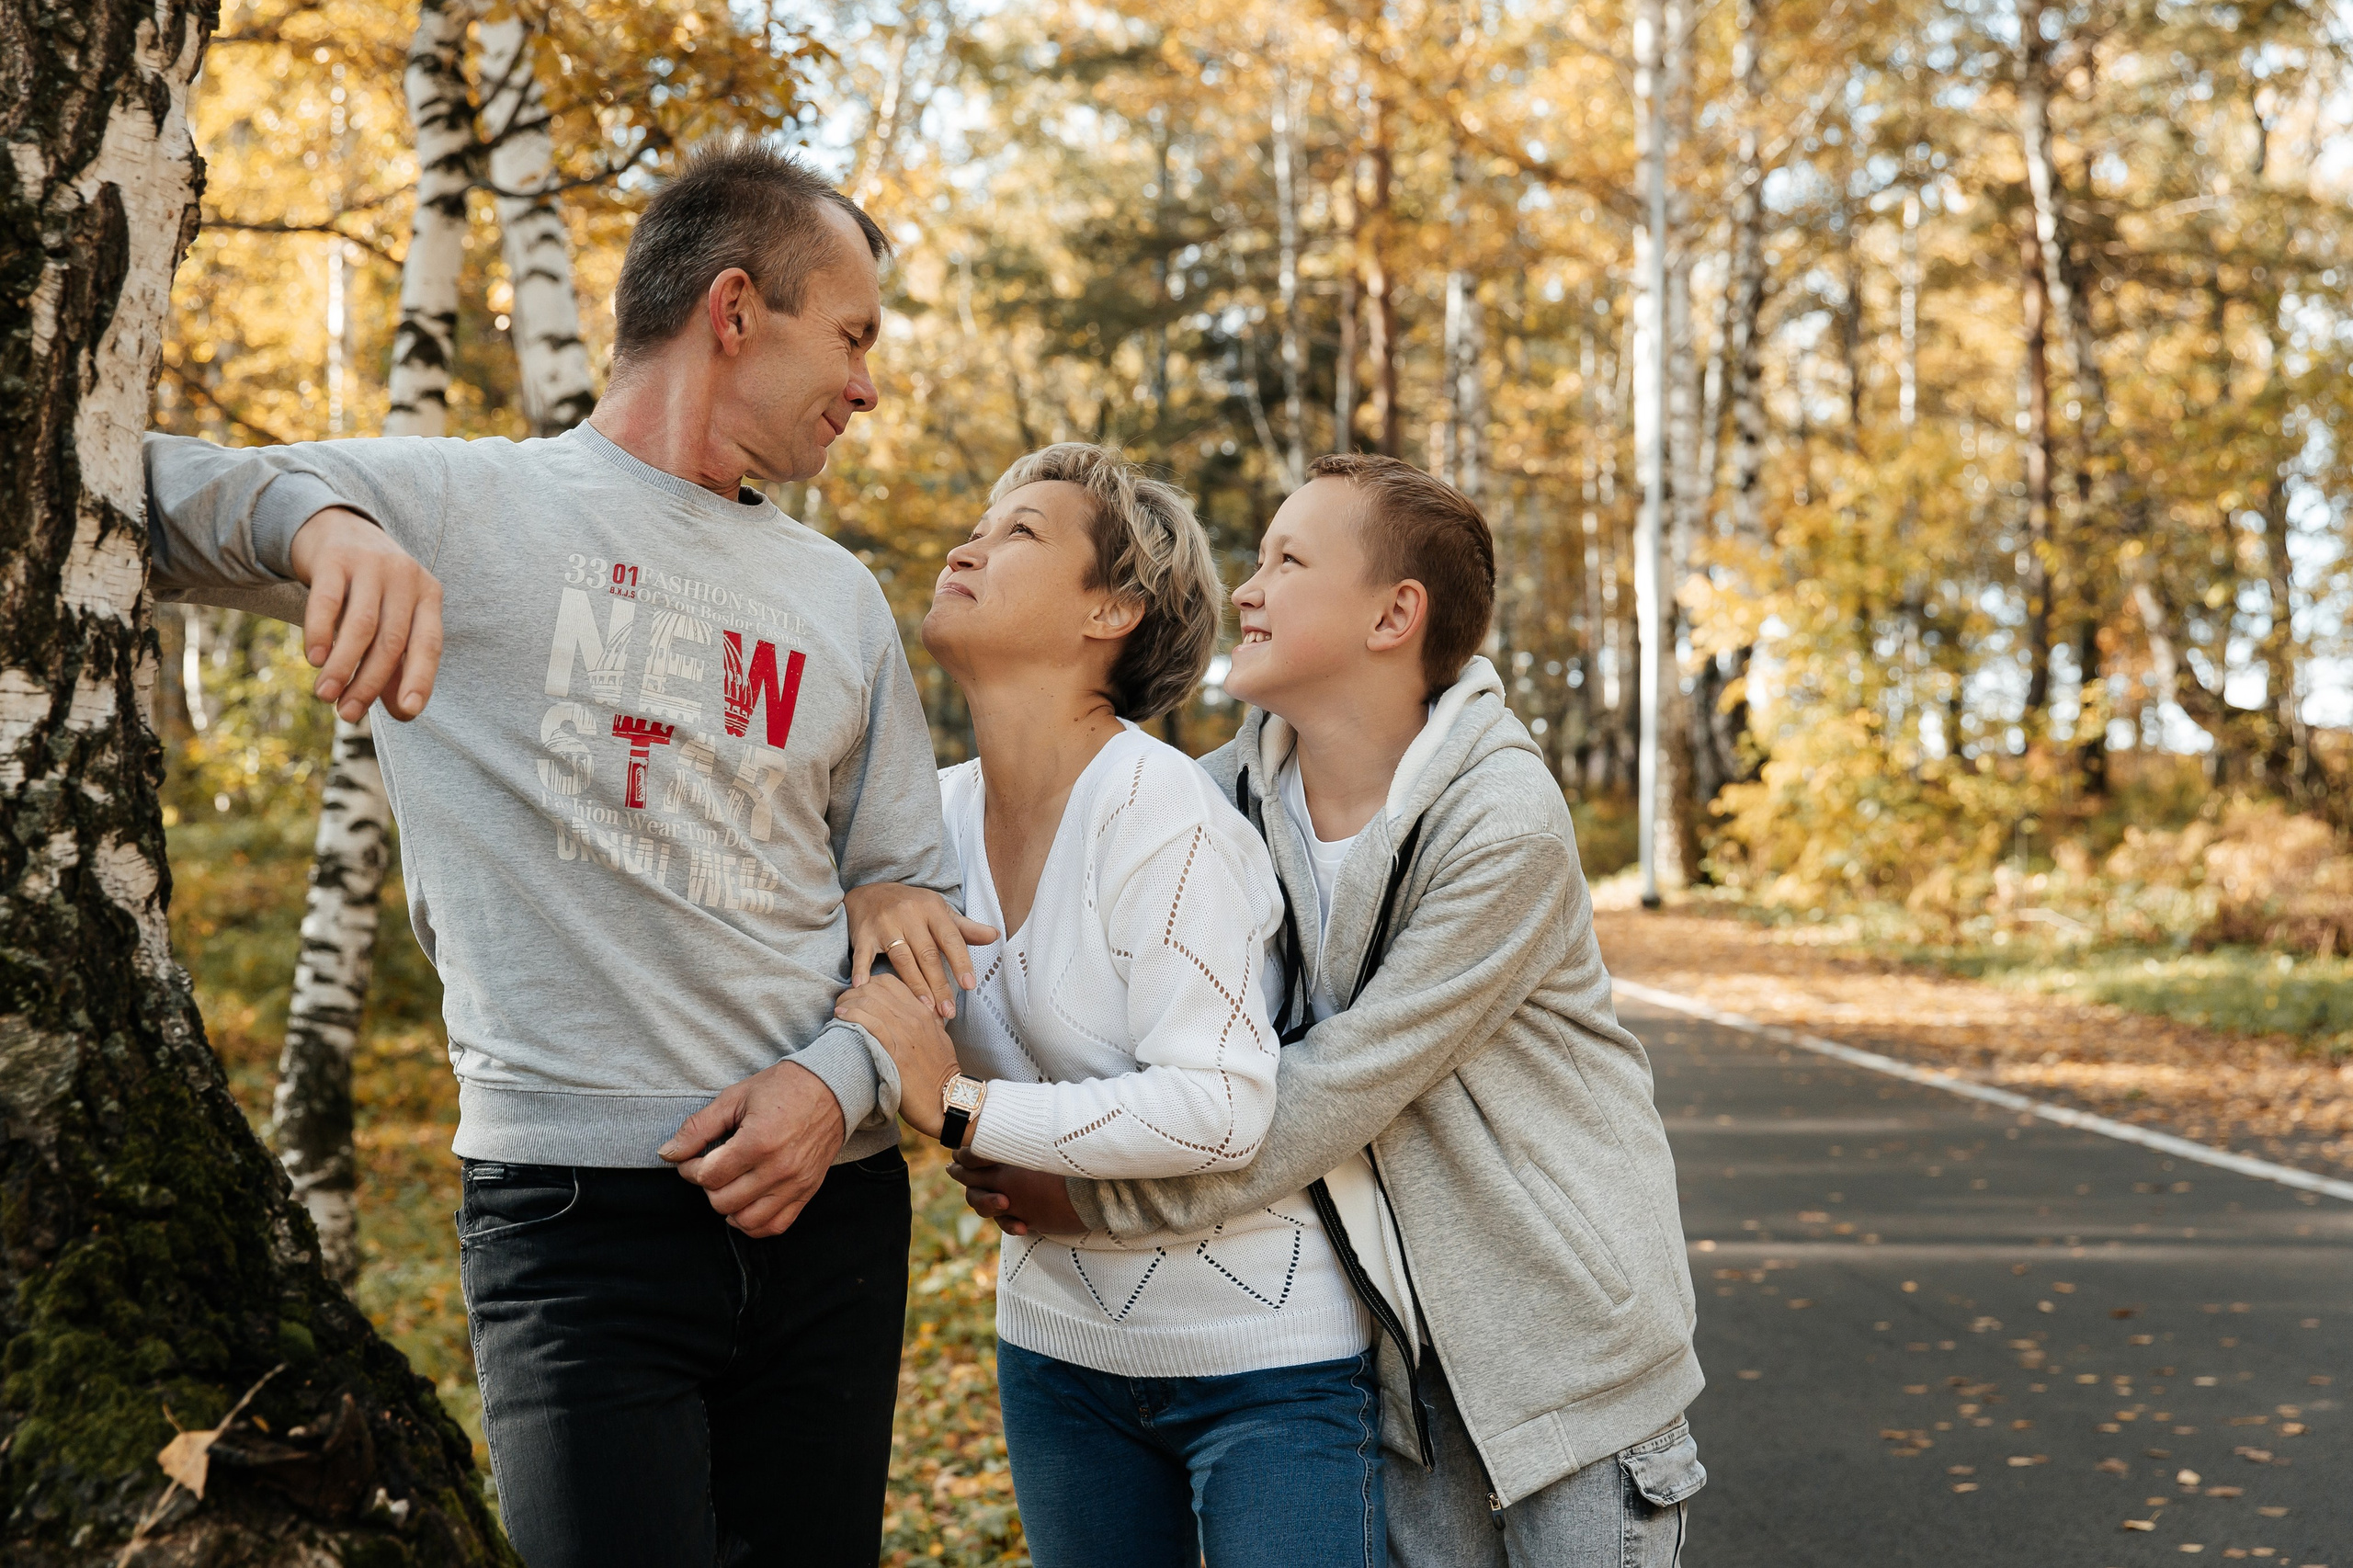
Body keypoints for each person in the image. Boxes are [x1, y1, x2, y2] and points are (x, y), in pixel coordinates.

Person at [142, 144, 984, 1568]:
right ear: (735, 310)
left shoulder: (840, 598)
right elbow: (121, 478)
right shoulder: (462, 508)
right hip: (575, 1224)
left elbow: (922, 915)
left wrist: (833, 1086)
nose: (868, 385)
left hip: (830, 1206)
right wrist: (321, 522)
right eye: (851, 336)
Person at [956, 454, 1708, 1566]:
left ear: (1393, 615)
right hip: (1398, 1367)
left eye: (1287, 561)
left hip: (1560, 1360)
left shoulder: (1499, 818)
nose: (1246, 589)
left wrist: (1094, 1197)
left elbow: (1333, 1086)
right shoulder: (1220, 801)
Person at [833, 444, 1390, 1568]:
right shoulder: (925, 821)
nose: (966, 548)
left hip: (1264, 1365)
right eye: (978, 526)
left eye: (1019, 532)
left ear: (1112, 609)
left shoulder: (1157, 811)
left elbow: (1221, 1104)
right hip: (1057, 1354)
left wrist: (963, 1107)